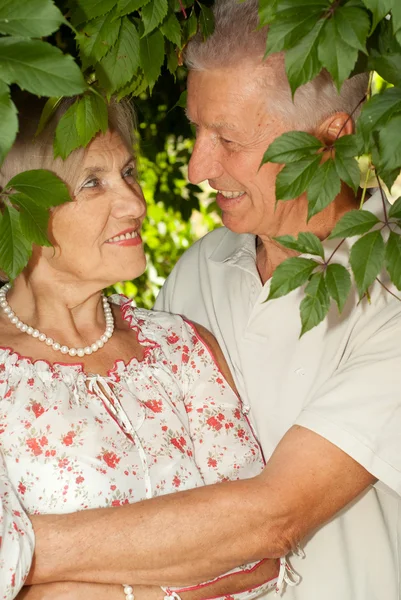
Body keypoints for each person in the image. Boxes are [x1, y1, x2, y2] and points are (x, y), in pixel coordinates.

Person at [8, 2, 400, 600]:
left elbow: (270, 522)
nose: (195, 167)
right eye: (196, 129)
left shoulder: (390, 291)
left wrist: (23, 555)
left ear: (329, 140)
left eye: (229, 139)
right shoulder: (200, 273)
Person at [0, 95, 283, 600]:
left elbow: (256, 549)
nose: (135, 202)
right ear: (19, 207)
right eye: (92, 182)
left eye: (128, 172)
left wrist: (54, 585)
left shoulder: (179, 345)